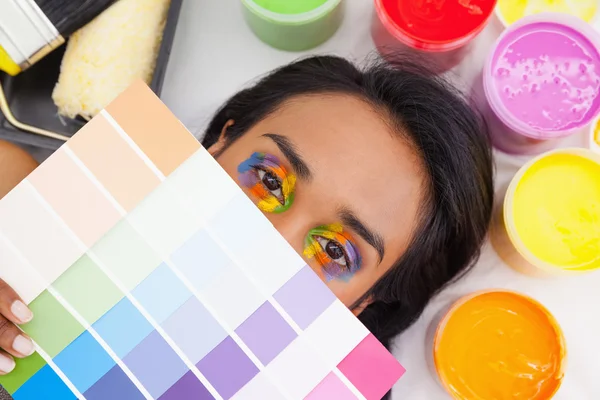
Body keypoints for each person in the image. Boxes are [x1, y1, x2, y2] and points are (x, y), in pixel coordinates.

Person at [0, 55, 494, 398]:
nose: (269, 242)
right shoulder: (12, 195)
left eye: (337, 252)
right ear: (220, 142)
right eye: (268, 180)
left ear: (362, 305)